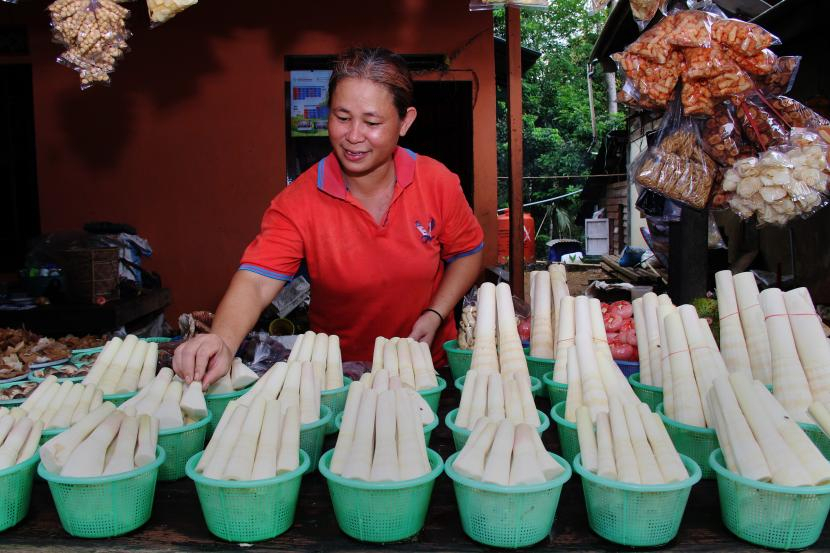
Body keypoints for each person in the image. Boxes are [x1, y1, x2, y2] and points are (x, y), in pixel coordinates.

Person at [173, 47, 484, 387]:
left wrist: (436, 313)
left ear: (405, 121)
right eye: (342, 116)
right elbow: (257, 280)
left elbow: (468, 253)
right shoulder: (298, 201)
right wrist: (222, 339)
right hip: (338, 375)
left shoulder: (436, 182)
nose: (353, 136)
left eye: (372, 122)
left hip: (425, 369)